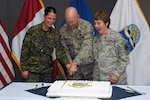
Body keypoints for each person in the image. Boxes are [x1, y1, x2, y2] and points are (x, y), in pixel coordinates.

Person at [20, 6, 70, 82]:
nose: (51, 21)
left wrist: (67, 64)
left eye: (53, 19)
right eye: (49, 18)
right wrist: (24, 69)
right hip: (33, 70)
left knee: (45, 92)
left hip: (47, 71)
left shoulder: (55, 33)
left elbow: (60, 51)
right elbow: (25, 51)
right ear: (44, 16)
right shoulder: (33, 31)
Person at [93, 11, 130, 84]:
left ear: (106, 23)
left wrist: (116, 74)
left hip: (115, 80)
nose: (96, 26)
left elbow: (125, 59)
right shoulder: (96, 39)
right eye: (95, 23)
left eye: (99, 23)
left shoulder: (118, 38)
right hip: (99, 80)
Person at [60, 7, 94, 80]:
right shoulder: (63, 30)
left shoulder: (87, 26)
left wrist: (75, 62)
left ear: (78, 17)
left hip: (88, 66)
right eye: (68, 21)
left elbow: (87, 47)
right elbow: (64, 49)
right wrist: (69, 63)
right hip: (72, 68)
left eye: (72, 21)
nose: (70, 24)